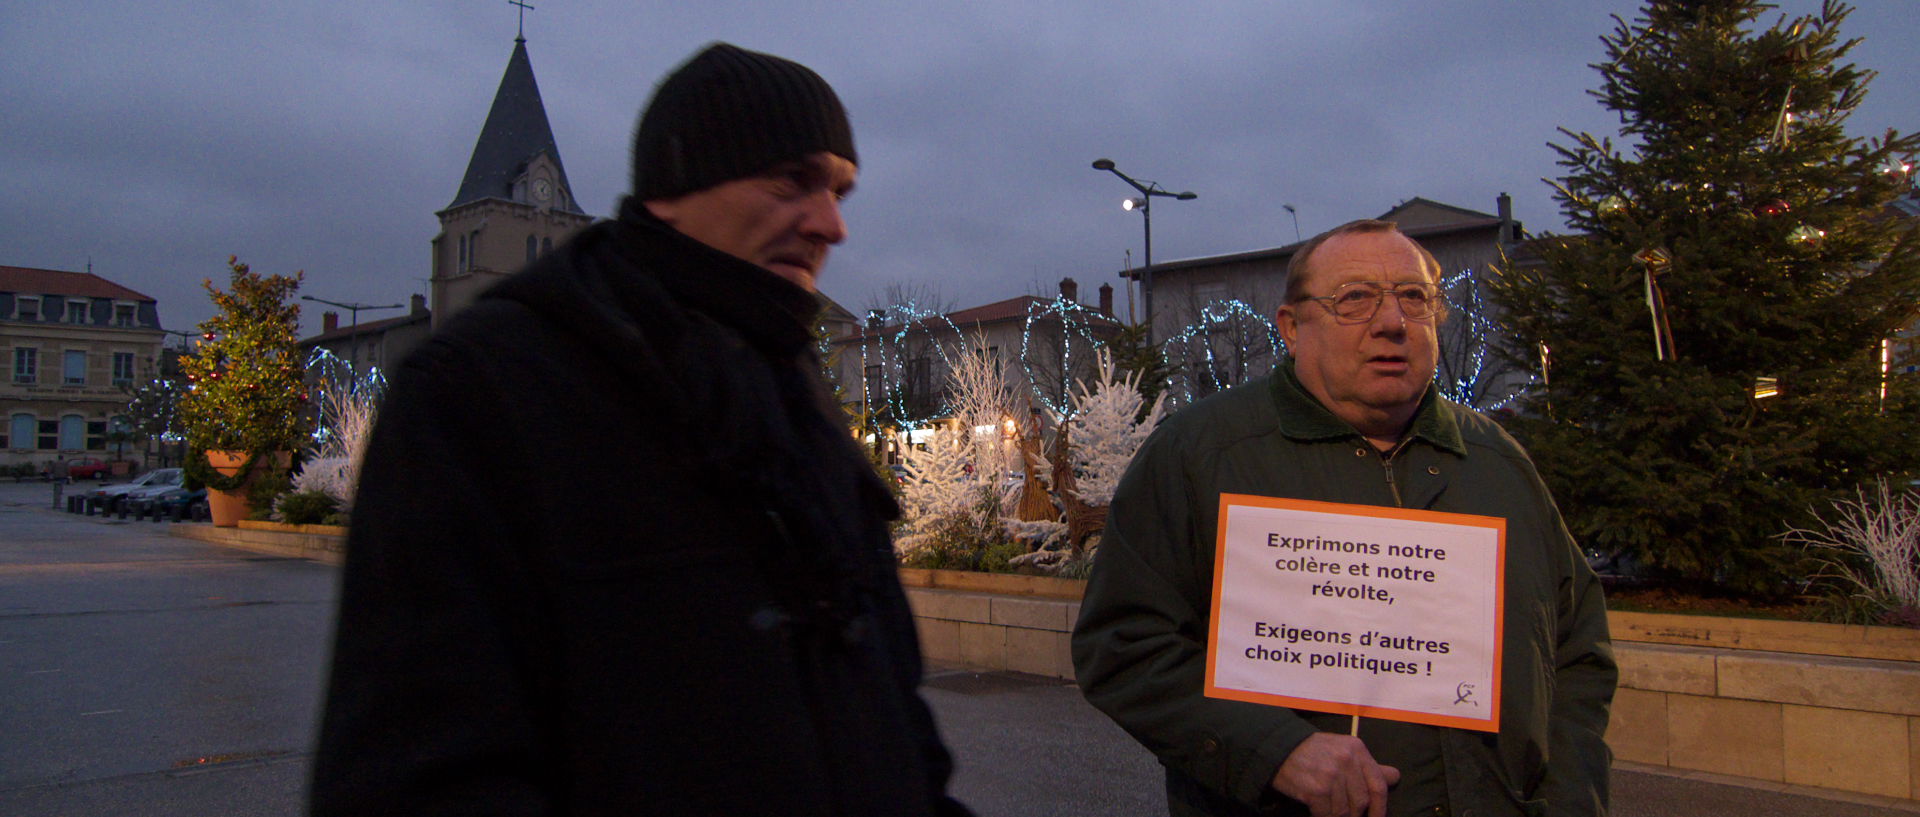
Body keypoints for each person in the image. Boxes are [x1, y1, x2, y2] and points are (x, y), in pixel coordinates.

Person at [311, 43, 970, 817]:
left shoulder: (794, 387)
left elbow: (891, 708)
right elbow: (420, 779)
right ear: (679, 184)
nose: (831, 224)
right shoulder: (481, 392)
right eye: (795, 179)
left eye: (840, 190)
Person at [1072, 219, 1616, 817]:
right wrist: (1276, 751)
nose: (1392, 322)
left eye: (1414, 298)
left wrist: (1570, 798)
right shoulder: (1201, 456)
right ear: (1292, 328)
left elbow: (1577, 647)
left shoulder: (1497, 463)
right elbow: (1123, 645)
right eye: (1355, 299)